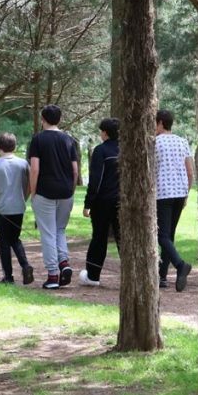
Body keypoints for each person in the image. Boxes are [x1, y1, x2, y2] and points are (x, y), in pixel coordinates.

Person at [28, 104, 78, 289]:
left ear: (43, 120)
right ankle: (63, 262)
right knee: (60, 230)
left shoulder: (38, 140)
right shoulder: (69, 140)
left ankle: (52, 275)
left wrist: (33, 191)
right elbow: (75, 170)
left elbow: (35, 169)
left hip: (45, 191)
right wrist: (70, 189)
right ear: (59, 119)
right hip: (66, 191)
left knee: (48, 233)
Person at [0, 132, 34, 285]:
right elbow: (30, 185)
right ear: (14, 146)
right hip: (18, 208)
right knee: (15, 239)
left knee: (4, 243)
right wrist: (24, 198)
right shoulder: (23, 163)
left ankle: (8, 276)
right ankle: (25, 266)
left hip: (1, 209)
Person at [155, 108, 194, 291]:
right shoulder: (183, 141)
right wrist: (186, 192)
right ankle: (162, 276)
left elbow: (151, 170)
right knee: (169, 235)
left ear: (161, 122)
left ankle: (180, 265)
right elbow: (190, 171)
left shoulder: (155, 143)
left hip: (163, 193)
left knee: (162, 236)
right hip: (180, 192)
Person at [79, 118, 120, 287]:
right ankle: (134, 274)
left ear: (105, 132)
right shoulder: (127, 150)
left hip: (103, 202)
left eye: (101, 131)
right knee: (123, 239)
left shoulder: (101, 150)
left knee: (99, 239)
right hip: (123, 202)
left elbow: (96, 179)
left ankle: (93, 276)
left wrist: (88, 203)